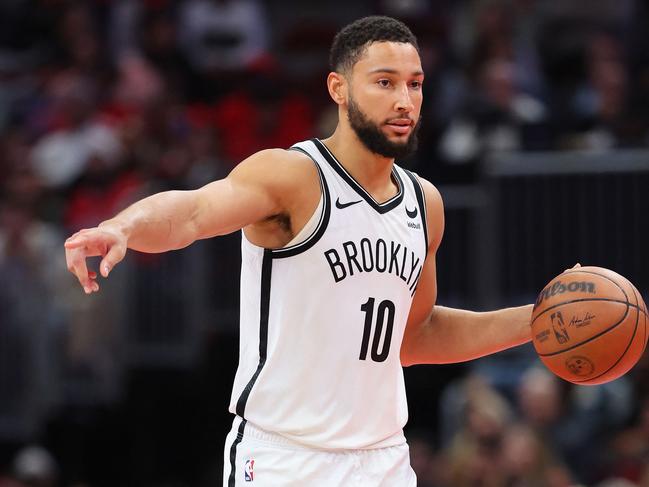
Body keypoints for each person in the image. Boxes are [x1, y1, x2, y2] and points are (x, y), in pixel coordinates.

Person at [65, 16, 533, 487]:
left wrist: (537, 321)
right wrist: (122, 225)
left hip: (383, 458)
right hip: (287, 459)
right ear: (339, 88)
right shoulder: (294, 175)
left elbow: (416, 337)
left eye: (414, 84)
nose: (403, 100)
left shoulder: (424, 203)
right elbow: (192, 212)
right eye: (384, 82)